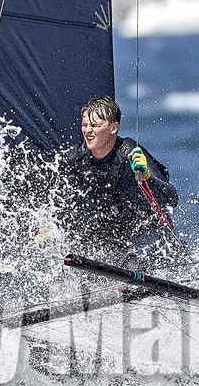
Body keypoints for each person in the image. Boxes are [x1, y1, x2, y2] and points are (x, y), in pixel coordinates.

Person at [56, 95, 183, 262]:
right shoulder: (76, 157)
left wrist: (146, 177)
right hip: (113, 230)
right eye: (85, 125)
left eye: (95, 125)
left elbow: (171, 198)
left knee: (133, 263)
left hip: (148, 229)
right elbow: (48, 184)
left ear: (113, 127)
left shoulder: (129, 151)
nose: (87, 131)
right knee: (75, 252)